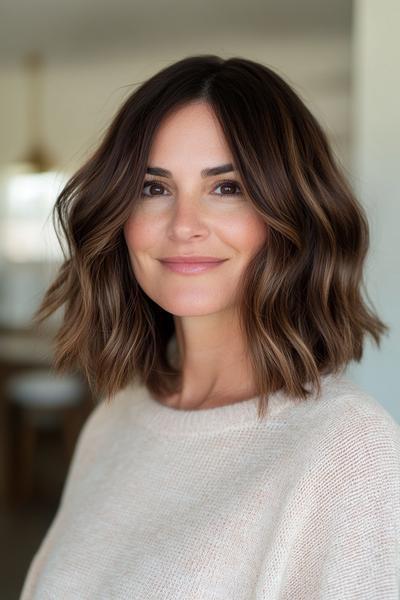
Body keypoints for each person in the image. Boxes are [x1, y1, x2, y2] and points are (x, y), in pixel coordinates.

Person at [20, 55, 400, 599]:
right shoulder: (115, 418)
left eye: (227, 188)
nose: (184, 225)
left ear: (291, 213)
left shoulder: (349, 450)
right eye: (154, 188)